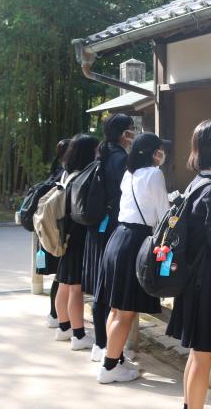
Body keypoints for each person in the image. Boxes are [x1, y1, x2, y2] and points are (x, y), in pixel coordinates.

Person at [166, 120, 211, 409]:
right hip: (208, 282)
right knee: (204, 355)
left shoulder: (196, 184)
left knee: (197, 355)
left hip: (193, 278)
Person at [94, 132, 169, 384]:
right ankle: (109, 367)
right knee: (125, 312)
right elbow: (163, 214)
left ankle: (114, 357)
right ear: (150, 152)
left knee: (116, 309)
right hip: (137, 241)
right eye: (159, 150)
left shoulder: (130, 174)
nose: (161, 154)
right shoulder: (154, 174)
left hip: (118, 238)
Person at [82, 114, 135, 363]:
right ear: (124, 134)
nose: (134, 134)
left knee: (100, 290)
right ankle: (110, 351)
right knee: (109, 293)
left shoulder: (103, 153)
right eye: (132, 130)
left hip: (97, 228)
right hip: (112, 227)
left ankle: (101, 344)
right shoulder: (120, 159)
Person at [54, 134, 99, 353]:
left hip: (66, 235)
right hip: (78, 237)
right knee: (76, 288)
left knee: (64, 284)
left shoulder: (67, 174)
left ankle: (64, 327)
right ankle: (78, 334)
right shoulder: (83, 176)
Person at [41, 138, 71, 329]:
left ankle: (55, 315)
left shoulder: (57, 170)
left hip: (52, 230)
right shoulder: (65, 173)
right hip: (60, 232)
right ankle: (57, 316)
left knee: (59, 277)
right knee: (62, 277)